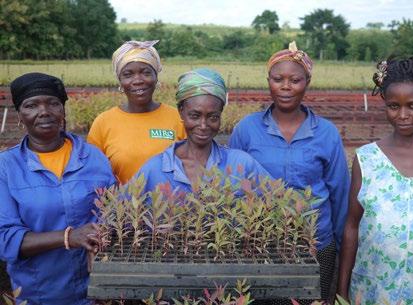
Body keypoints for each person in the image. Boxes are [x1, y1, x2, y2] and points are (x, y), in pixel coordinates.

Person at [229, 42, 350, 302]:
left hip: (317, 243)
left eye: (295, 80)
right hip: (260, 242)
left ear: (307, 81)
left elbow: (340, 193)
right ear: (268, 81)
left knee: (310, 299)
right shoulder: (246, 129)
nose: (286, 86)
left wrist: (341, 247)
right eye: (278, 79)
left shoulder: (326, 133)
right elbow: (232, 187)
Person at [0, 73, 116, 305]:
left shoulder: (93, 157)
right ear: (20, 115)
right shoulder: (6, 167)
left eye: (53, 103)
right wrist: (68, 237)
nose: (44, 111)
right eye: (31, 105)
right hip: (39, 293)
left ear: (63, 111)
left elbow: (113, 211)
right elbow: (5, 239)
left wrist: (104, 234)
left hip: (94, 291)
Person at [337, 57, 413, 304]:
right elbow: (352, 227)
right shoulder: (367, 160)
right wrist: (342, 292)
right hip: (374, 290)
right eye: (394, 106)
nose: (403, 115)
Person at [136, 68, 269, 194]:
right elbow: (121, 206)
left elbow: (281, 201)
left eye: (213, 117)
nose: (203, 125)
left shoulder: (240, 164)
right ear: (181, 112)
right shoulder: (154, 168)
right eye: (195, 116)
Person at [88, 40, 186, 184]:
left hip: (172, 205)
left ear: (156, 76)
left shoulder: (178, 119)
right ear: (120, 81)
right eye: (128, 74)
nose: (138, 80)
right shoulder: (103, 123)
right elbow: (94, 175)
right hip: (121, 205)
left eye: (146, 72)